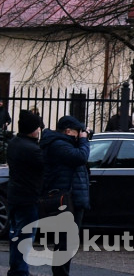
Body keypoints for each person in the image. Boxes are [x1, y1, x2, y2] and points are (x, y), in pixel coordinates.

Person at [40, 115, 90, 276]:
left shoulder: (66, 144)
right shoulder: (58, 145)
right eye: (78, 131)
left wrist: (82, 139)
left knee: (68, 242)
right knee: (65, 242)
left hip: (73, 198)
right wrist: (83, 141)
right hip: (65, 200)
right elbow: (80, 157)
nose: (80, 134)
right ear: (68, 131)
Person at [8, 110, 44, 276]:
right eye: (37, 127)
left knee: (16, 234)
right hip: (28, 198)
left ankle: (16, 269)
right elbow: (45, 166)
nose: (39, 130)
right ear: (32, 129)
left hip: (15, 196)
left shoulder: (14, 143)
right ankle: (20, 271)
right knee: (24, 236)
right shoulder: (32, 149)